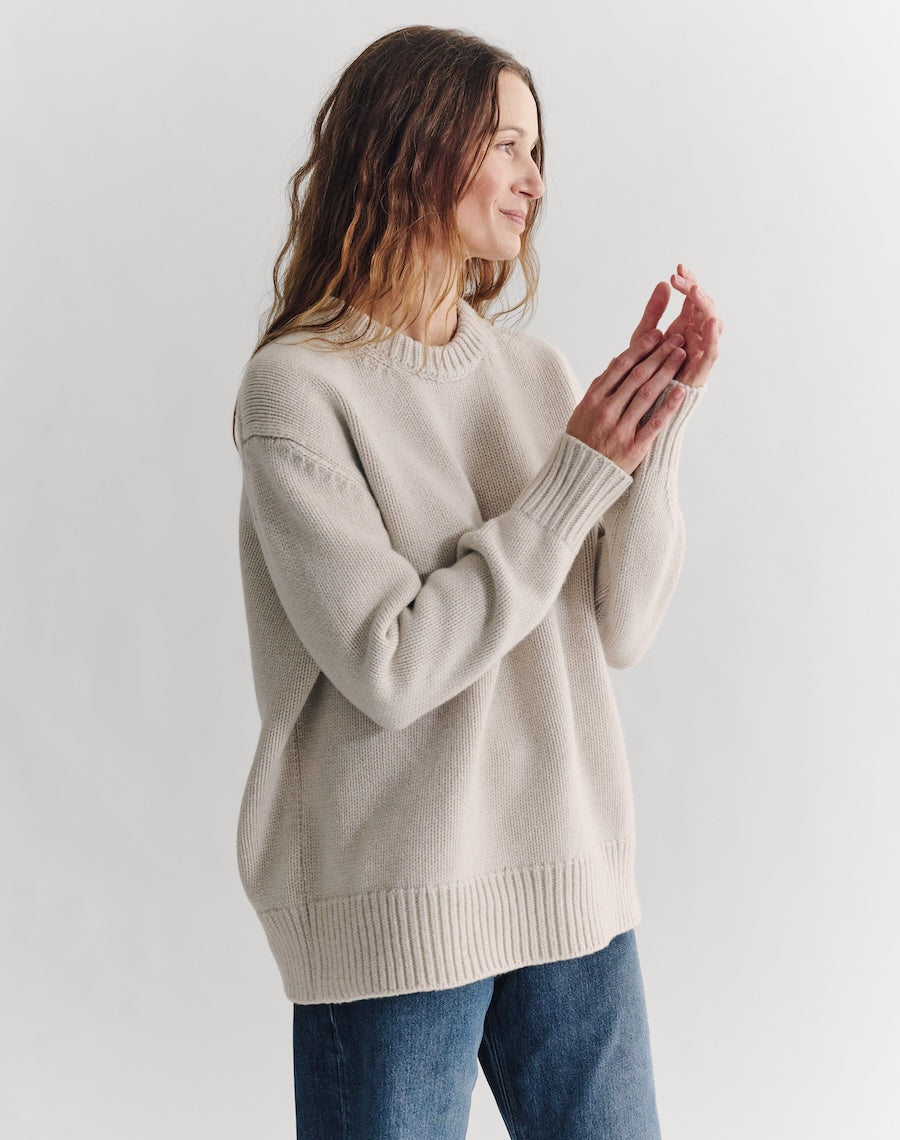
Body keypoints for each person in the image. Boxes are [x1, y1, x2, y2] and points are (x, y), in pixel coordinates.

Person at [232, 24, 721, 1140]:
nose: (534, 178)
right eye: (505, 144)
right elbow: (390, 664)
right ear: (411, 145)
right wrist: (573, 477)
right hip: (394, 906)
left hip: (569, 884)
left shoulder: (534, 373)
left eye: (537, 149)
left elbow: (622, 624)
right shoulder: (297, 391)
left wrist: (657, 424)